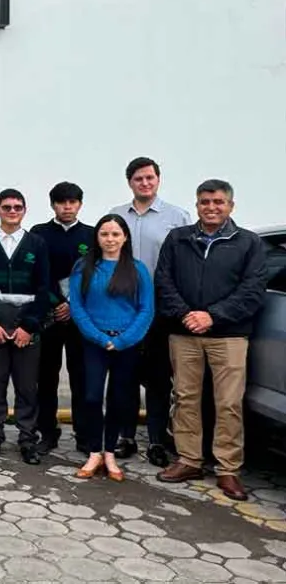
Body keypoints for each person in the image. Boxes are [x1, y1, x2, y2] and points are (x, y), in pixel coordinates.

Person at [154, 180, 267, 500]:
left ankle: (228, 469)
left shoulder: (249, 243)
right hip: (184, 333)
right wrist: (187, 314)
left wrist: (212, 316)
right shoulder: (178, 239)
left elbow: (253, 290)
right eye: (205, 202)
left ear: (231, 206)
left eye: (218, 202)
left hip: (229, 336)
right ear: (197, 205)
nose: (211, 207)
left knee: (228, 403)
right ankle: (189, 459)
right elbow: (163, 281)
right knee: (185, 397)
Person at [110, 157, 192, 466]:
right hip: (122, 309)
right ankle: (125, 437)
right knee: (124, 376)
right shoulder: (116, 216)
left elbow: (185, 263)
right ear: (129, 182)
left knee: (159, 379)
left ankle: (157, 440)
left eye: (149, 178)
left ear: (158, 179)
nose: (145, 183)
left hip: (160, 311)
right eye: (138, 179)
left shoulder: (177, 217)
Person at [69, 215, 155, 483]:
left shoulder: (137, 269)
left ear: (125, 237)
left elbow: (146, 309)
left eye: (116, 234)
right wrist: (97, 336)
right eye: (105, 234)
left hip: (126, 345)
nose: (110, 239)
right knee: (92, 397)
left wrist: (122, 340)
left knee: (119, 399)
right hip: (93, 343)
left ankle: (109, 453)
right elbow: (77, 307)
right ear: (97, 237)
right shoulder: (84, 266)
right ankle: (94, 451)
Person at [0, 189, 50, 465]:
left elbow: (44, 289)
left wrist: (29, 326)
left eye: (18, 207)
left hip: (27, 329)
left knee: (27, 386)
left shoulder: (37, 244)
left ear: (25, 211)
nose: (12, 211)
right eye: (7, 207)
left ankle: (27, 439)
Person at [29, 182, 94, 454]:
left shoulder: (92, 235)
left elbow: (95, 276)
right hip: (48, 316)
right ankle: (47, 431)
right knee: (46, 377)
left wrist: (72, 305)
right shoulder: (39, 234)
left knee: (81, 377)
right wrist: (58, 303)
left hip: (81, 319)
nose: (67, 207)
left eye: (72, 202)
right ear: (52, 205)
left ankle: (83, 432)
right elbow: (37, 275)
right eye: (61, 202)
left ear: (80, 204)